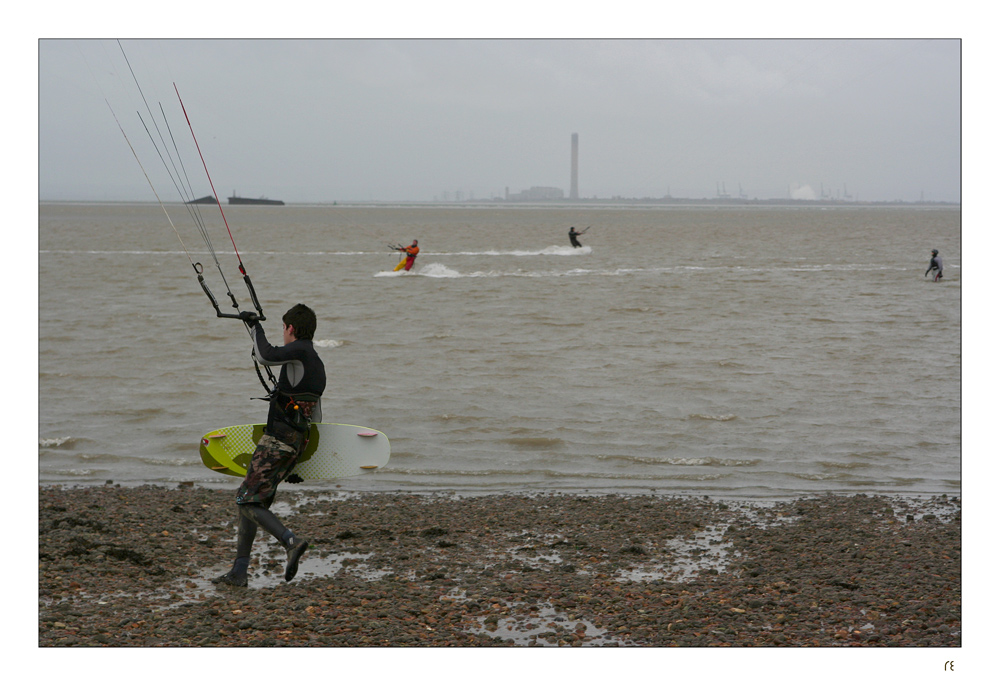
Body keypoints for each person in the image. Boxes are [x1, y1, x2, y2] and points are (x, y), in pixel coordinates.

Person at [212, 304, 327, 587]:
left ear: (290, 329)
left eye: (283, 328)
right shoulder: (316, 363)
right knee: (254, 501)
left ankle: (291, 541)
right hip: (294, 445)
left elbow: (265, 355)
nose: (283, 334)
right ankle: (239, 571)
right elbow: (317, 418)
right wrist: (302, 463)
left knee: (246, 499)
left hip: (276, 442)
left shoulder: (300, 351)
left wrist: (255, 326)